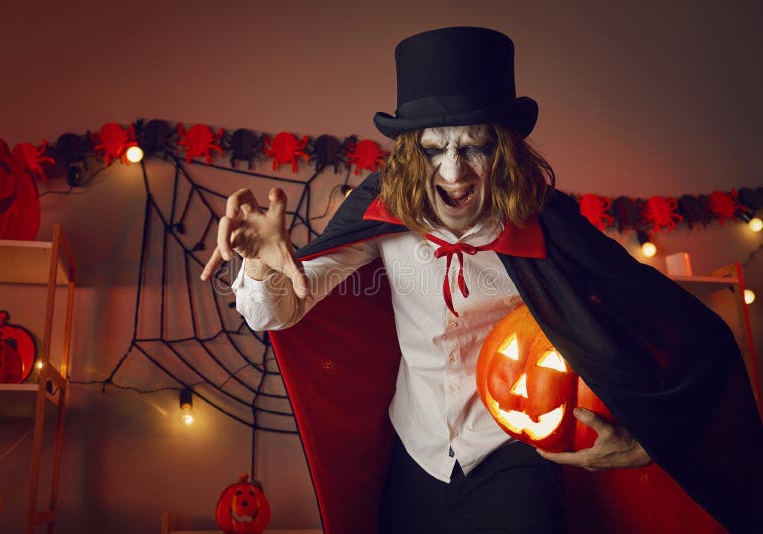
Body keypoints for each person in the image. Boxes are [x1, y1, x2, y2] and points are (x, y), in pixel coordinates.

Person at [201, 27, 763, 534]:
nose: (453, 172)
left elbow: (682, 331)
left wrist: (648, 440)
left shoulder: (549, 226)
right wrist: (259, 263)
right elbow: (278, 313)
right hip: (414, 453)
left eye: (473, 145)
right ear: (408, 156)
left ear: (504, 150)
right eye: (433, 149)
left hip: (513, 456)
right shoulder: (379, 212)